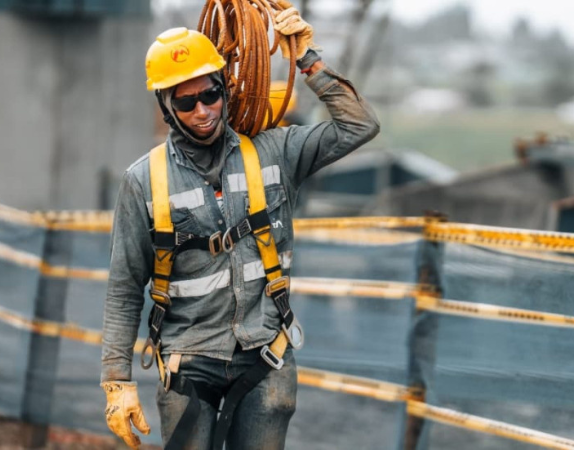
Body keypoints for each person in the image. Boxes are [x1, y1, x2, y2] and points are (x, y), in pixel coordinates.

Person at [100, 4, 380, 449]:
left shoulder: (275, 151)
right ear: (166, 107)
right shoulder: (144, 180)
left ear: (224, 89)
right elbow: (124, 286)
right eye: (186, 102)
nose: (202, 111)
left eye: (209, 95)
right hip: (188, 365)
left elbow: (359, 125)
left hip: (266, 358)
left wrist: (308, 58)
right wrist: (117, 380)